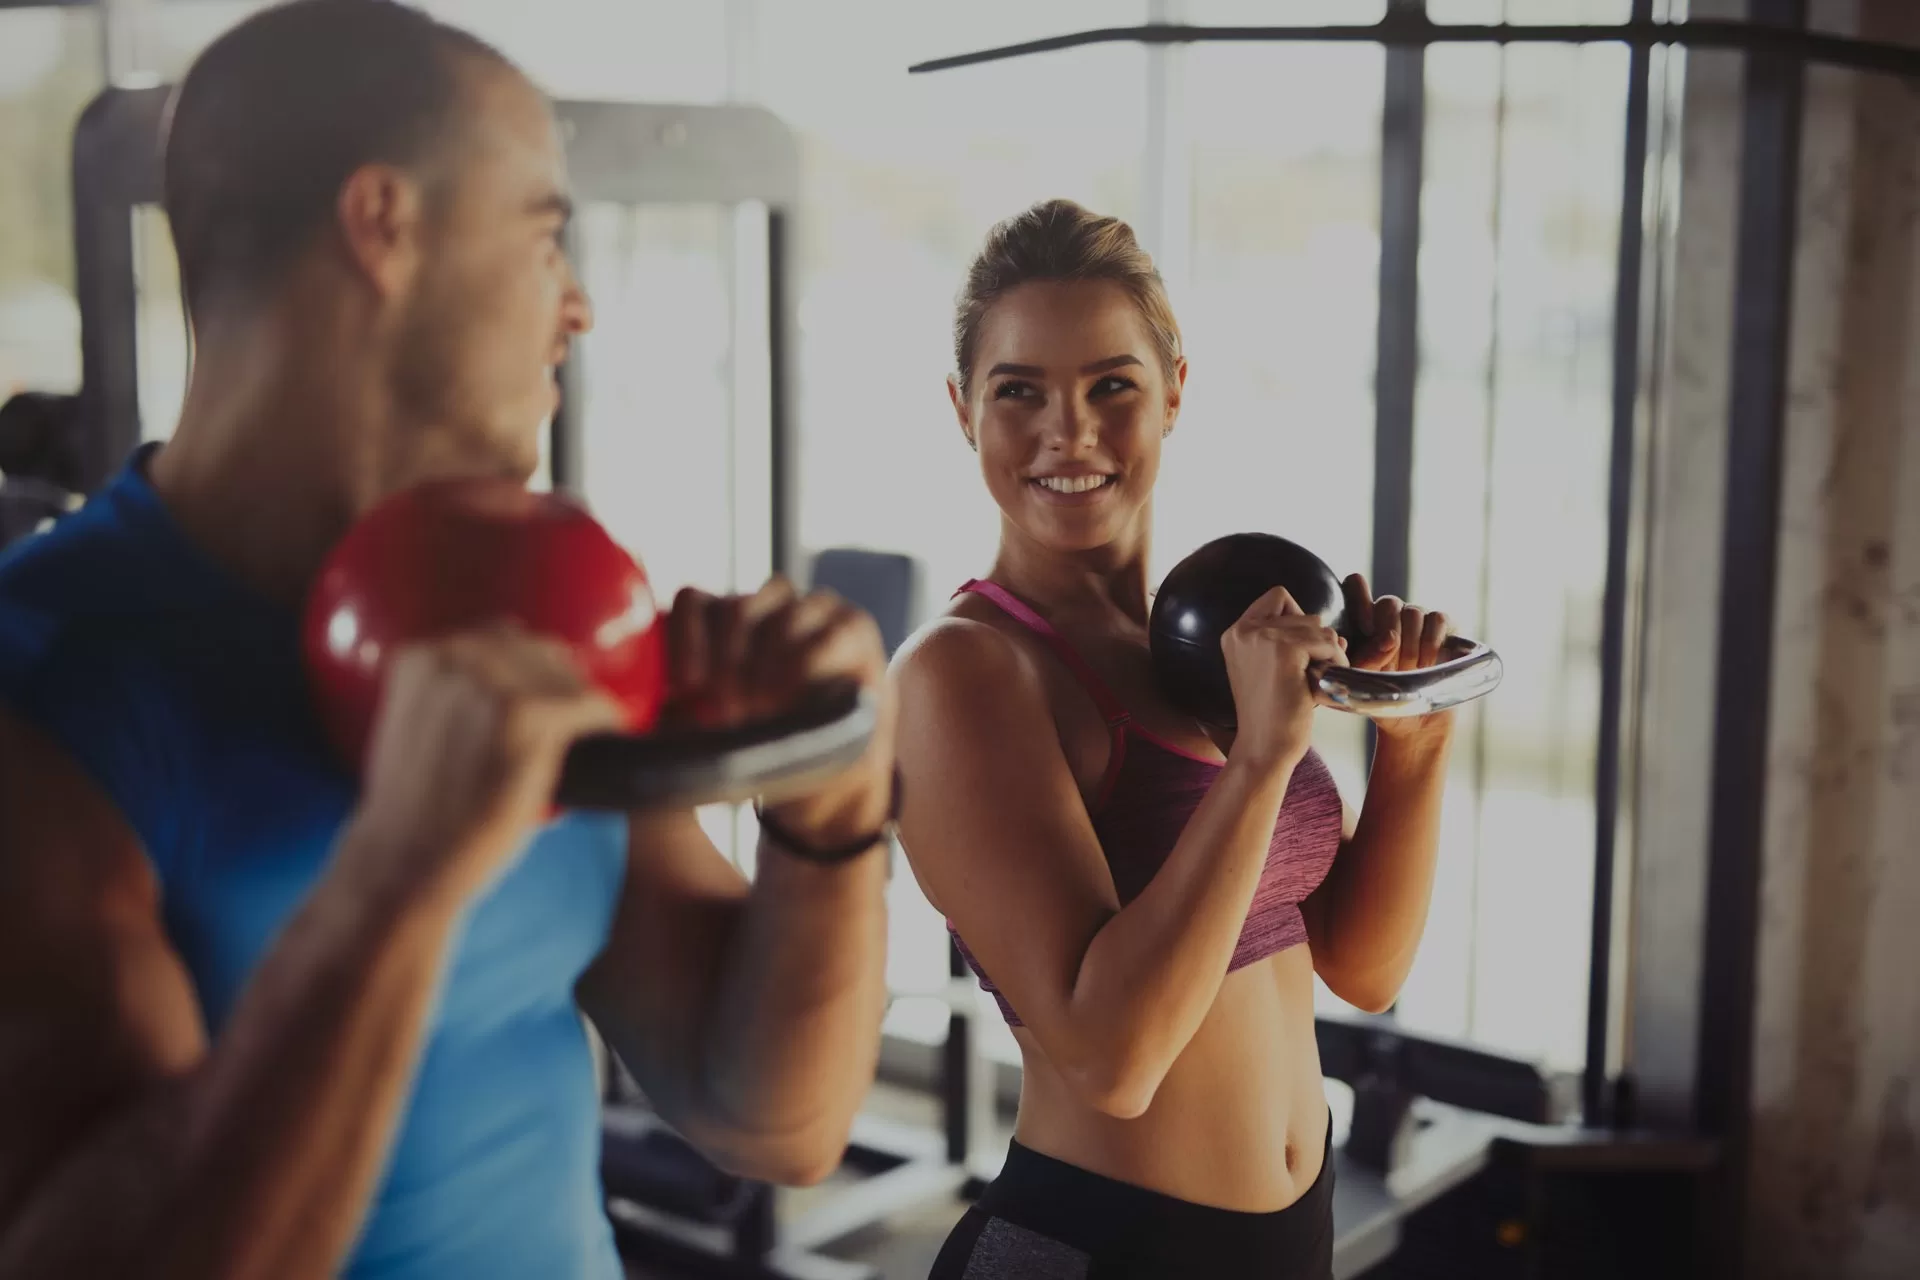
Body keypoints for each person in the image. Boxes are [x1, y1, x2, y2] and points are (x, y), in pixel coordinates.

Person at [0, 3, 895, 1277]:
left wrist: (835, 820)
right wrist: (397, 876)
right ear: (384, 224)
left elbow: (773, 1117)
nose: (576, 308)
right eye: (544, 239)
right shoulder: (46, 689)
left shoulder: (531, 608)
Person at [894, 199, 1459, 1279]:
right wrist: (1259, 760)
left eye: (1113, 384)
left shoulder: (1207, 637)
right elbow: (1112, 1057)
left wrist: (1413, 741)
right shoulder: (963, 672)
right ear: (964, 409)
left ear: (1175, 392)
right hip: (1100, 1245)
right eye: (1021, 392)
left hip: (1289, 1237)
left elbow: (1362, 965)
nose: (1071, 432)